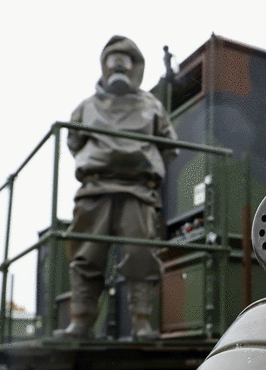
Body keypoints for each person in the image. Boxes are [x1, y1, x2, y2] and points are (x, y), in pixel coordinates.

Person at [57, 35, 178, 340]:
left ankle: (141, 323)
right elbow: (73, 141)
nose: (119, 67)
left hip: (138, 191)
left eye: (125, 61)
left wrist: (141, 168)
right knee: (87, 254)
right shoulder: (87, 106)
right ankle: (81, 322)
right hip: (95, 189)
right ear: (104, 66)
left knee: (141, 256)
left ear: (135, 67)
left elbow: (169, 145)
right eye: (113, 61)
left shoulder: (152, 106)